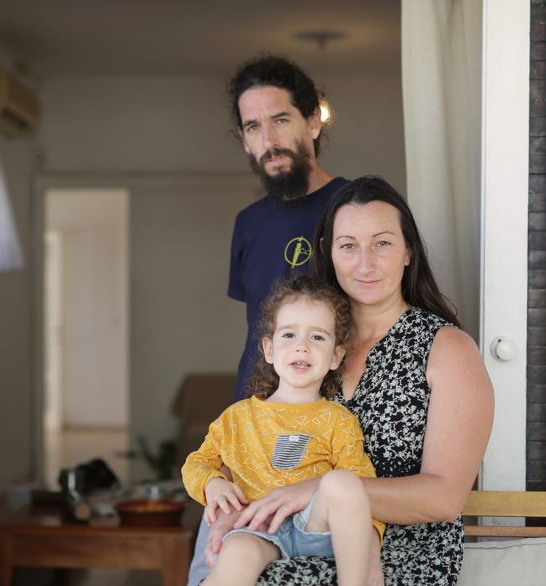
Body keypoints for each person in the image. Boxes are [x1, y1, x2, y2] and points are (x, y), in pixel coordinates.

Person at [201, 176, 495, 585]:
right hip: (294, 541)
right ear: (328, 251)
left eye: (382, 243)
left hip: (401, 562)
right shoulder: (309, 346)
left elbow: (445, 498)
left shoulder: (447, 350)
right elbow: (263, 447)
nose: (365, 263)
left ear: (408, 250)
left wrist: (318, 488)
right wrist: (235, 510)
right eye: (349, 246)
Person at [182, 276, 384, 586]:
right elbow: (197, 463)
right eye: (289, 334)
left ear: (335, 356)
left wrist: (369, 537)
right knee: (237, 552)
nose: (302, 346)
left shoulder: (338, 419)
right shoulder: (237, 418)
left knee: (344, 482)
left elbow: (358, 486)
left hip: (316, 527)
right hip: (256, 527)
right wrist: (213, 485)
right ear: (269, 349)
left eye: (318, 337)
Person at [226, 54, 348, 402]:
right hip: (256, 416)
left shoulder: (356, 209)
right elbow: (258, 335)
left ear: (312, 122)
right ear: (244, 139)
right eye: (253, 127)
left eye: (280, 119)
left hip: (333, 419)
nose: (269, 140)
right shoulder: (247, 223)